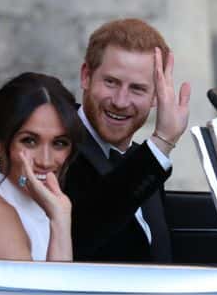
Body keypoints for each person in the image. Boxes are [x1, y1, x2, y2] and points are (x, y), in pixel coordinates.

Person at [65, 18, 191, 262]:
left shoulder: (142, 159)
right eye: (111, 82)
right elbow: (84, 233)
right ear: (86, 77)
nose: (121, 101)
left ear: (156, 96)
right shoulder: (56, 147)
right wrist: (163, 141)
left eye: (137, 89)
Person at [0, 72, 84, 261]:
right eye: (29, 141)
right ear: (0, 144)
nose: (45, 161)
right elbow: (50, 292)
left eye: (59, 143)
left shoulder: (47, 206)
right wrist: (60, 220)